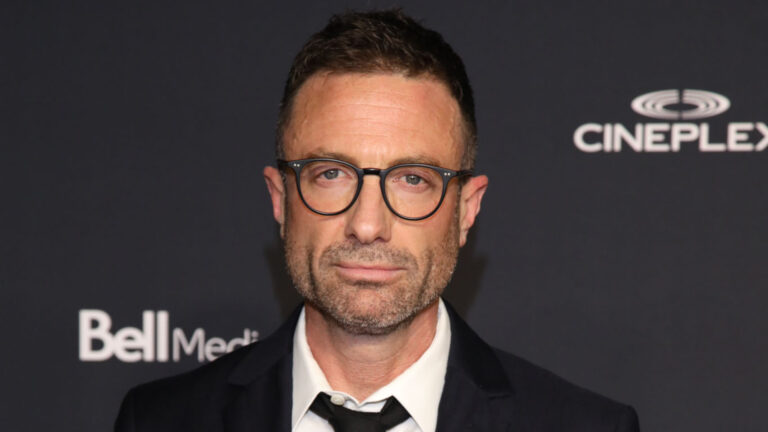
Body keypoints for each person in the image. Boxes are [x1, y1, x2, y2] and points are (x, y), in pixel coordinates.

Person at [115, 9, 639, 432]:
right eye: (331, 175)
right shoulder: (162, 421)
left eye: (412, 179)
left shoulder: (583, 426)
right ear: (280, 198)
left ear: (466, 210)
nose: (367, 225)